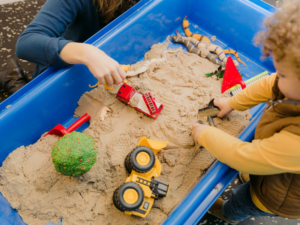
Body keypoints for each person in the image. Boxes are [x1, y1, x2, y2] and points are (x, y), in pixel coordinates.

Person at [192, 0, 300, 224]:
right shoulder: (291, 86)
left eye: (282, 74)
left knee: (242, 200)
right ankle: (254, 179)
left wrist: (204, 134)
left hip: (277, 197)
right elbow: (269, 84)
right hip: (274, 164)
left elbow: (245, 157)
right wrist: (233, 102)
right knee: (256, 172)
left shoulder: (296, 142)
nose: (276, 77)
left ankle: (228, 214)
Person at [0, 0, 140, 96]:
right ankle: (15, 80)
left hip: (110, 56)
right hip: (65, 66)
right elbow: (26, 42)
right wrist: (87, 53)